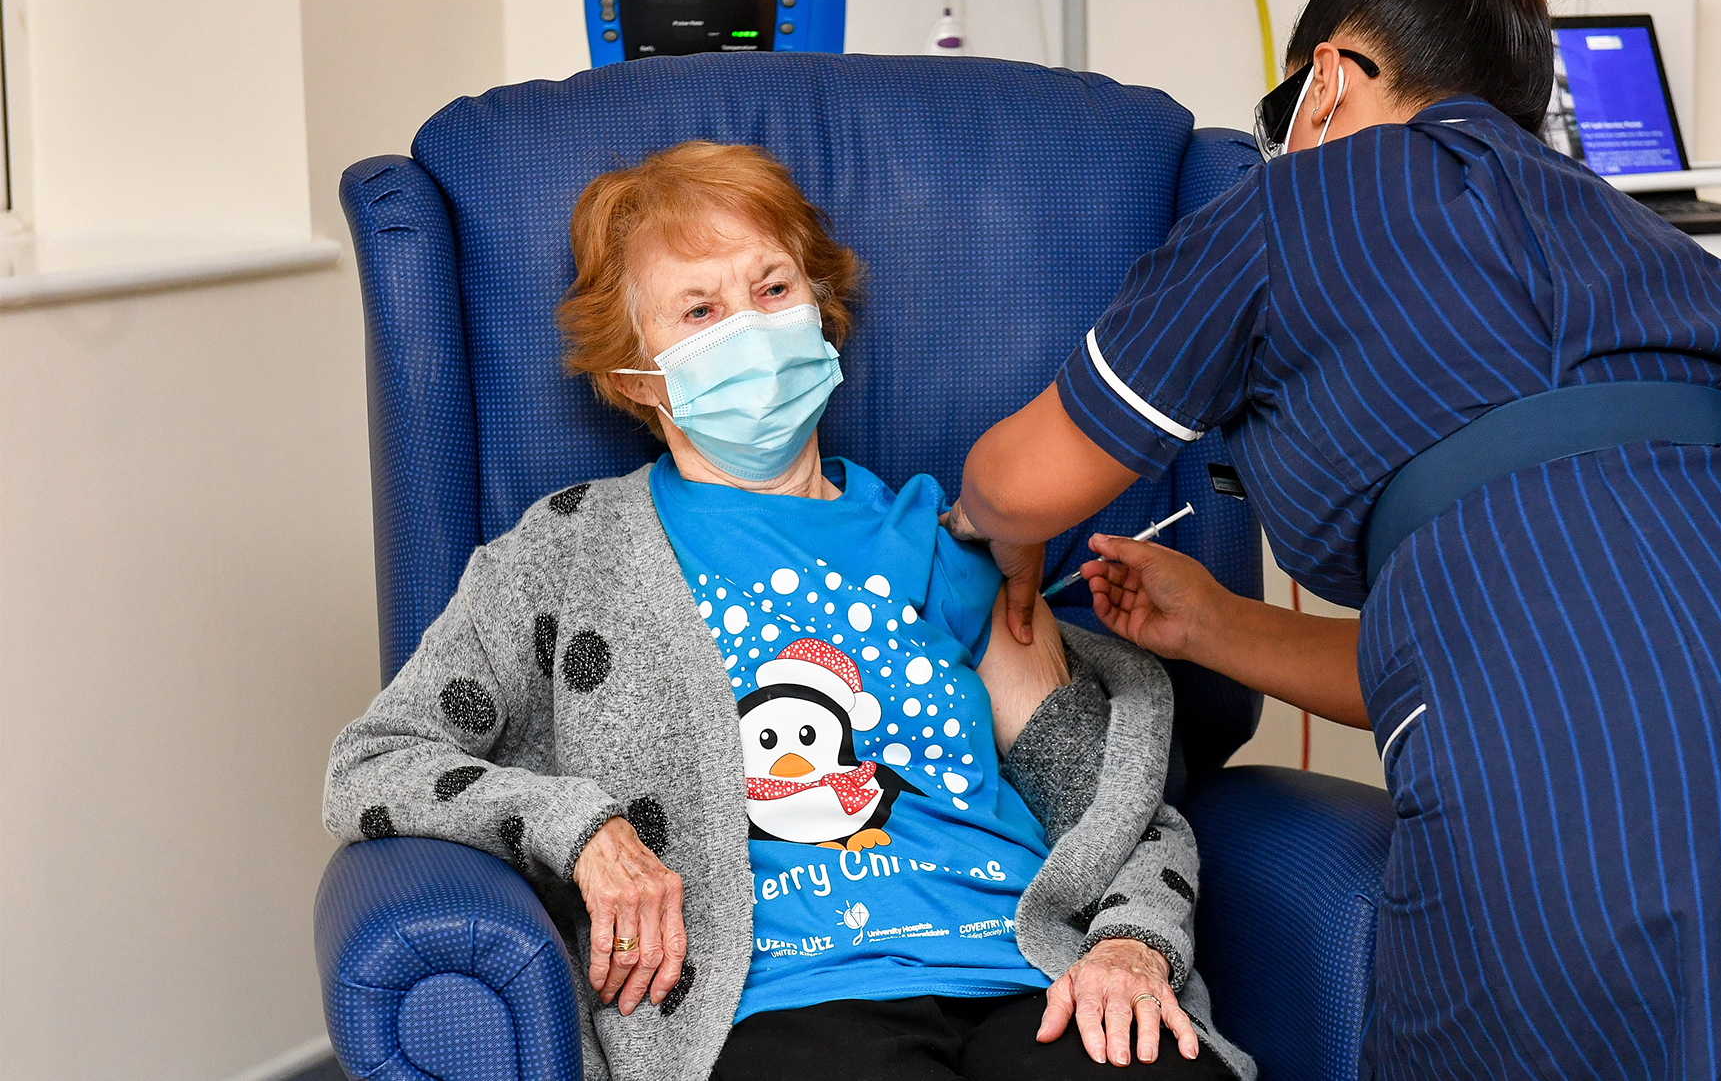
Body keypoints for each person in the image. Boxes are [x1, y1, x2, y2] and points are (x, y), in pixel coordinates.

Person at [951, 0, 1721, 1078]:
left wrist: (982, 536)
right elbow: (1509, 632)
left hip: (1587, 762)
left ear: (1329, 82)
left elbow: (1018, 479)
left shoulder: (1291, 205)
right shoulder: (1622, 227)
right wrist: (1210, 623)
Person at [323, 142, 1251, 1081]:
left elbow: (1111, 806)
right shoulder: (566, 557)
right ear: (639, 374)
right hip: (784, 1001)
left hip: (1026, 972)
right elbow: (374, 765)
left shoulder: (945, 542)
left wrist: (1132, 945)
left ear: (821, 311)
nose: (750, 331)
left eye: (772, 290)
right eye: (699, 311)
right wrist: (583, 829)